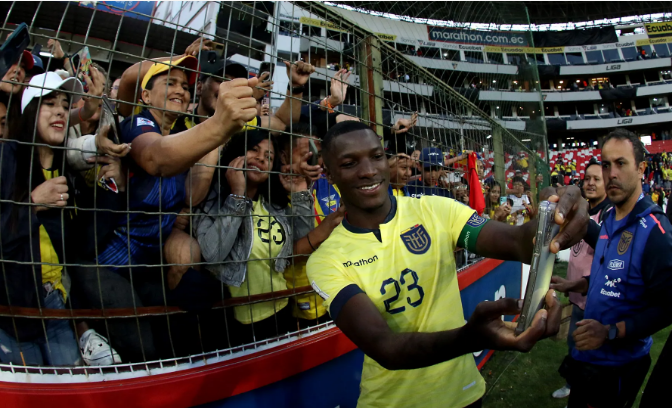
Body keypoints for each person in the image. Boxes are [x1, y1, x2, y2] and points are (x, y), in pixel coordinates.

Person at [306, 121, 588, 408]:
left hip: (464, 396)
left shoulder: (436, 209)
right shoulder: (327, 259)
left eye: (376, 156)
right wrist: (469, 338)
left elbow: (517, 242)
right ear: (328, 173)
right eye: (350, 162)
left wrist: (551, 217)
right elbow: (384, 346)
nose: (368, 170)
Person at [0, 72, 128, 366]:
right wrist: (32, 204)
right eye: (49, 103)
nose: (59, 110)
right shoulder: (6, 158)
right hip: (13, 309)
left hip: (56, 304)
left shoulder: (64, 173)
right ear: (30, 111)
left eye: (64, 103)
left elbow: (84, 244)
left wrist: (115, 188)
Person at [550, 128, 672, 408]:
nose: (611, 173)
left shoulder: (654, 230)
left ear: (641, 168)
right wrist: (575, 285)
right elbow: (613, 277)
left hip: (618, 366)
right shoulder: (609, 219)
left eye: (621, 163)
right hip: (587, 359)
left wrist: (610, 332)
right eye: (606, 164)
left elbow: (667, 307)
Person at [192, 131, 314, 345]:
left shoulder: (273, 205)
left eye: (268, 157)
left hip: (280, 311)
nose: (260, 158)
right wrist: (238, 195)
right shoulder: (212, 200)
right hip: (234, 323)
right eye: (254, 150)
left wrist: (300, 193)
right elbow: (213, 254)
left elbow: (304, 240)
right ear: (237, 154)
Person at [552, 158, 612, 399]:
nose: (590, 183)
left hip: (594, 301)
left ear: (607, 184)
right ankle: (571, 383)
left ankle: (582, 390)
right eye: (587, 178)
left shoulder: (608, 216)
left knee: (589, 351)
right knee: (573, 344)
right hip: (577, 296)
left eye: (597, 179)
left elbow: (605, 261)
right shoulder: (582, 209)